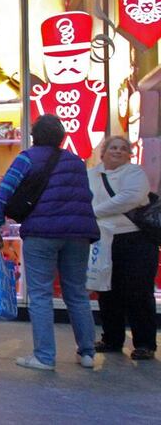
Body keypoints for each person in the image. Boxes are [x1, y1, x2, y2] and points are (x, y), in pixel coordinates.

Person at [0, 114, 99, 370]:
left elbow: (4, 191)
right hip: (78, 234)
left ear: (34, 136)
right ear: (62, 136)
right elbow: (87, 195)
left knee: (40, 294)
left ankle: (44, 357)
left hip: (42, 233)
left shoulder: (27, 158)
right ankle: (87, 353)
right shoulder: (76, 162)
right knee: (77, 294)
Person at [87, 135, 157, 360]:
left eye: (123, 148)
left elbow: (131, 198)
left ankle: (145, 343)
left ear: (129, 154)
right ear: (103, 152)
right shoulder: (90, 175)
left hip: (136, 240)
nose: (118, 151)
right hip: (104, 240)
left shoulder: (135, 173)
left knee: (138, 292)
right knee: (107, 291)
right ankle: (112, 338)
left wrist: (95, 211)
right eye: (113, 147)